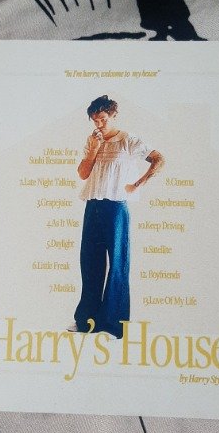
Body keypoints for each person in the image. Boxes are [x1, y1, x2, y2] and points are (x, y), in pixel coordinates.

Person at [68, 95, 165, 338]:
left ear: (113, 116)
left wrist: (138, 183)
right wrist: (94, 148)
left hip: (116, 207)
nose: (98, 124)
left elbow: (158, 159)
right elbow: (83, 173)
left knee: (118, 264)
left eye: (102, 119)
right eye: (95, 120)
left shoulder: (128, 140)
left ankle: (112, 324)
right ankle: (86, 321)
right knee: (89, 262)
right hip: (93, 204)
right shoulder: (93, 140)